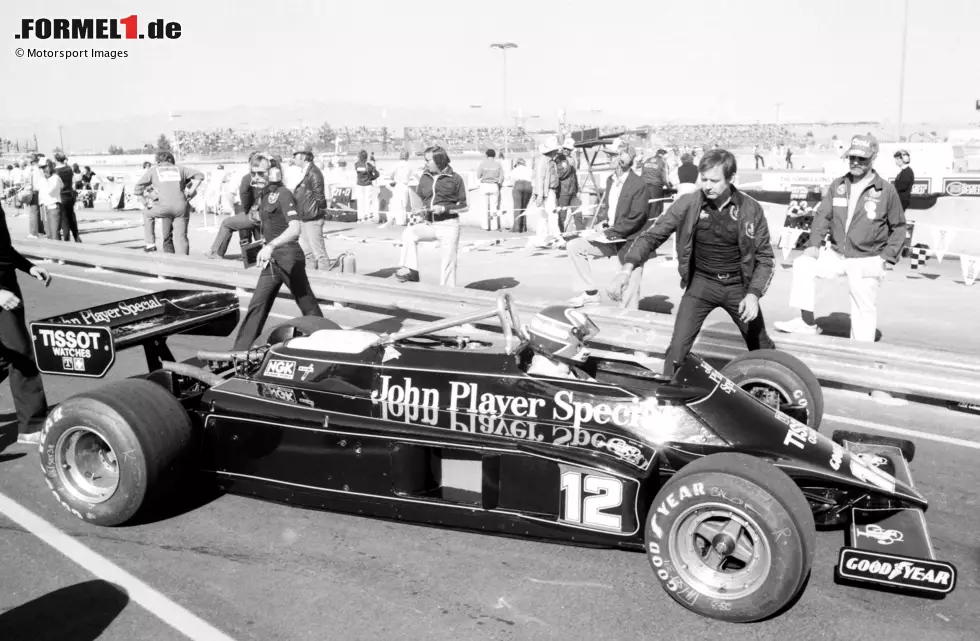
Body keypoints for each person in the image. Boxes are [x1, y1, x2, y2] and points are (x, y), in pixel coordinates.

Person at [608, 148, 776, 377]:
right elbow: (653, 235)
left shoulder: (750, 209)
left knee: (761, 346)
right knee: (676, 350)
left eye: (714, 181)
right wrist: (626, 270)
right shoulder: (689, 203)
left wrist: (753, 294)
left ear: (731, 178)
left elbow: (765, 257)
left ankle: (773, 391)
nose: (707, 186)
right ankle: (667, 394)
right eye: (703, 179)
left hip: (739, 288)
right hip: (701, 286)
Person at [774, 135, 906, 342]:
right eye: (852, 157)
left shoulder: (886, 191)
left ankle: (862, 350)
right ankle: (807, 323)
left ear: (874, 158)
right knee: (803, 264)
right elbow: (822, 216)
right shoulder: (838, 185)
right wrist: (814, 245)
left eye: (862, 159)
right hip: (836, 254)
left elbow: (898, 226)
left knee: (864, 308)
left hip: (867, 258)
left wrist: (887, 257)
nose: (855, 162)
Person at [232, 154, 323, 350]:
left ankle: (327, 339)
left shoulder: (283, 194)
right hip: (272, 260)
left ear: (273, 173)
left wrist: (271, 245)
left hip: (289, 257)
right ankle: (240, 351)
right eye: (252, 173)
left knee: (307, 304)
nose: (254, 177)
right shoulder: (263, 195)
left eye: (259, 173)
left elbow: (294, 228)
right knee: (257, 305)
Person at [565, 140, 650, 309]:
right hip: (611, 236)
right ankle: (590, 293)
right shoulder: (611, 181)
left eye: (611, 155)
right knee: (574, 246)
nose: (608, 158)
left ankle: (630, 324)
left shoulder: (639, 184)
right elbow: (610, 209)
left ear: (621, 159)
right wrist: (602, 223)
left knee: (628, 295)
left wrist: (611, 233)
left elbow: (637, 218)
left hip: (630, 242)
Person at [0, 201, 52, 445]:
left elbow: (3, 250)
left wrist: (29, 267)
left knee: (7, 356)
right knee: (21, 355)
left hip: (7, 287)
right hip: (1, 295)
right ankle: (31, 426)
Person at [394, 146, 467, 286]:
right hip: (430, 224)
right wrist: (420, 210)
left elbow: (465, 206)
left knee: (448, 262)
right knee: (409, 233)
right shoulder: (425, 177)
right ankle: (412, 271)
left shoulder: (456, 179)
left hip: (449, 225)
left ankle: (447, 293)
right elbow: (421, 199)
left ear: (439, 160)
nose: (425, 163)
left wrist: (444, 208)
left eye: (428, 160)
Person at [133, 151, 204, 254]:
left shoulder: (153, 171)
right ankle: (183, 260)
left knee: (147, 214)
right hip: (181, 207)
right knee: (181, 236)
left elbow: (138, 188)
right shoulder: (181, 169)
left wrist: (145, 202)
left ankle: (150, 244)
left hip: (162, 207)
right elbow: (200, 176)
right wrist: (190, 193)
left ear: (158, 160)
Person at [291, 146, 329, 271]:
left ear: (302, 157)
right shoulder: (306, 171)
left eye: (295, 156)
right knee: (308, 253)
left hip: (312, 217)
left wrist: (319, 212)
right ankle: (310, 277)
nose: (293, 159)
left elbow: (319, 196)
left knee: (319, 253)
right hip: (304, 216)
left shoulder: (313, 172)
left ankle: (325, 280)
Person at [476, 149, 505, 231]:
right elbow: (502, 177)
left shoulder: (482, 164)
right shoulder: (498, 164)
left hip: (484, 185)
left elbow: (478, 176)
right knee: (494, 207)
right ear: (494, 155)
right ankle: (494, 226)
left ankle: (485, 226)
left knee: (484, 207)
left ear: (486, 155)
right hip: (494, 186)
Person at [353, 150, 379, 223]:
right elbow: (377, 174)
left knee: (360, 202)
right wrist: (371, 178)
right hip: (368, 185)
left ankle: (360, 218)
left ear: (359, 157)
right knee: (368, 201)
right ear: (366, 157)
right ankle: (368, 217)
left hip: (359, 185)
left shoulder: (356, 165)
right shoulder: (369, 165)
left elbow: (358, 171)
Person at [510, 158, 533, 233]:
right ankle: (523, 227)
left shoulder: (515, 170)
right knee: (524, 208)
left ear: (517, 164)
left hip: (518, 185)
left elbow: (512, 181)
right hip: (529, 186)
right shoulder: (529, 170)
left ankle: (516, 228)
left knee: (517, 207)